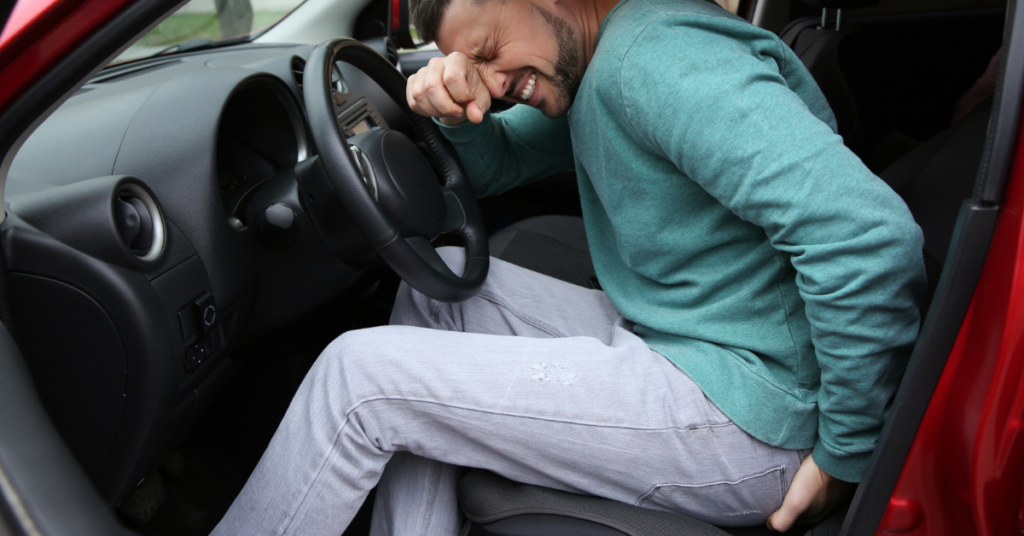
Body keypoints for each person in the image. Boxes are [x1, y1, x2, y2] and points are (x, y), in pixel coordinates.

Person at [212, 0, 926, 533]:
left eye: (489, 49)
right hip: (691, 342)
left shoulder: (655, 60)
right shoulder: (598, 67)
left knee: (357, 379)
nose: (491, 79)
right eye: (475, 67)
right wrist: (456, 110)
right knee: (441, 285)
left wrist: (845, 455)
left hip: (751, 415)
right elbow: (505, 162)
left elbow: (866, 235)